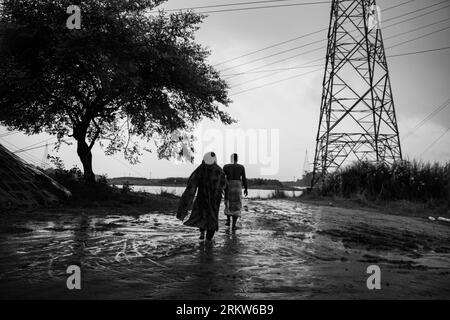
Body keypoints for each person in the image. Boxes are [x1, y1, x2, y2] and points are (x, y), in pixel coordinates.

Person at [177, 152, 227, 242]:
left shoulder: (200, 169)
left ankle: (202, 233)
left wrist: (186, 202)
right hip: (214, 200)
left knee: (201, 216)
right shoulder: (219, 170)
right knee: (212, 218)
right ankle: (208, 241)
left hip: (202, 198)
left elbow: (192, 184)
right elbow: (224, 185)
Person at [223, 153, 248, 230]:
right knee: (236, 205)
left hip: (228, 185)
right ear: (237, 159)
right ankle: (233, 225)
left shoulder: (226, 167)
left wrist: (222, 188)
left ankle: (228, 220)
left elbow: (222, 178)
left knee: (228, 202)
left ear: (231, 159)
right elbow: (244, 178)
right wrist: (246, 189)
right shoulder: (241, 167)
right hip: (237, 186)